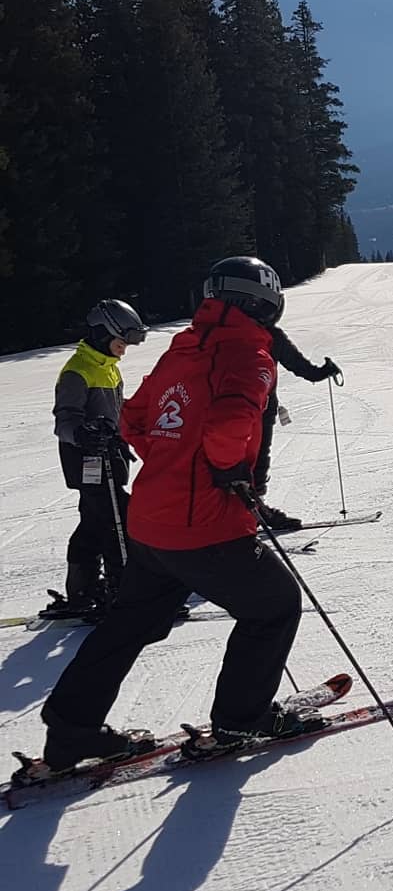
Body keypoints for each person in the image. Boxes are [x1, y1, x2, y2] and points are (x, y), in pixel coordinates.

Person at [30, 256, 315, 776]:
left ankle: (71, 731)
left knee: (129, 623)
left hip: (151, 522)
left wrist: (171, 459)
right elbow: (229, 425)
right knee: (274, 605)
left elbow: (135, 418)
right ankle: (241, 719)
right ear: (264, 303)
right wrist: (226, 470)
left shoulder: (183, 347)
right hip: (206, 524)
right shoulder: (249, 355)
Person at [44, 300, 148, 619]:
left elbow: (114, 410)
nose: (124, 350)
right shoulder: (77, 371)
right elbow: (64, 420)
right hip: (86, 460)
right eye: (121, 342)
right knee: (120, 521)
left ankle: (83, 590)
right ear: (104, 334)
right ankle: (122, 591)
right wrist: (83, 434)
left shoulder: (108, 367)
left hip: (109, 458)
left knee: (92, 524)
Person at [255, 326, 342, 530]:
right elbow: (301, 367)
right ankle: (255, 510)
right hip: (261, 407)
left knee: (228, 458)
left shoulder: (221, 331)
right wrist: (324, 371)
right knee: (257, 459)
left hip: (220, 408)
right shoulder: (270, 335)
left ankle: (246, 511)